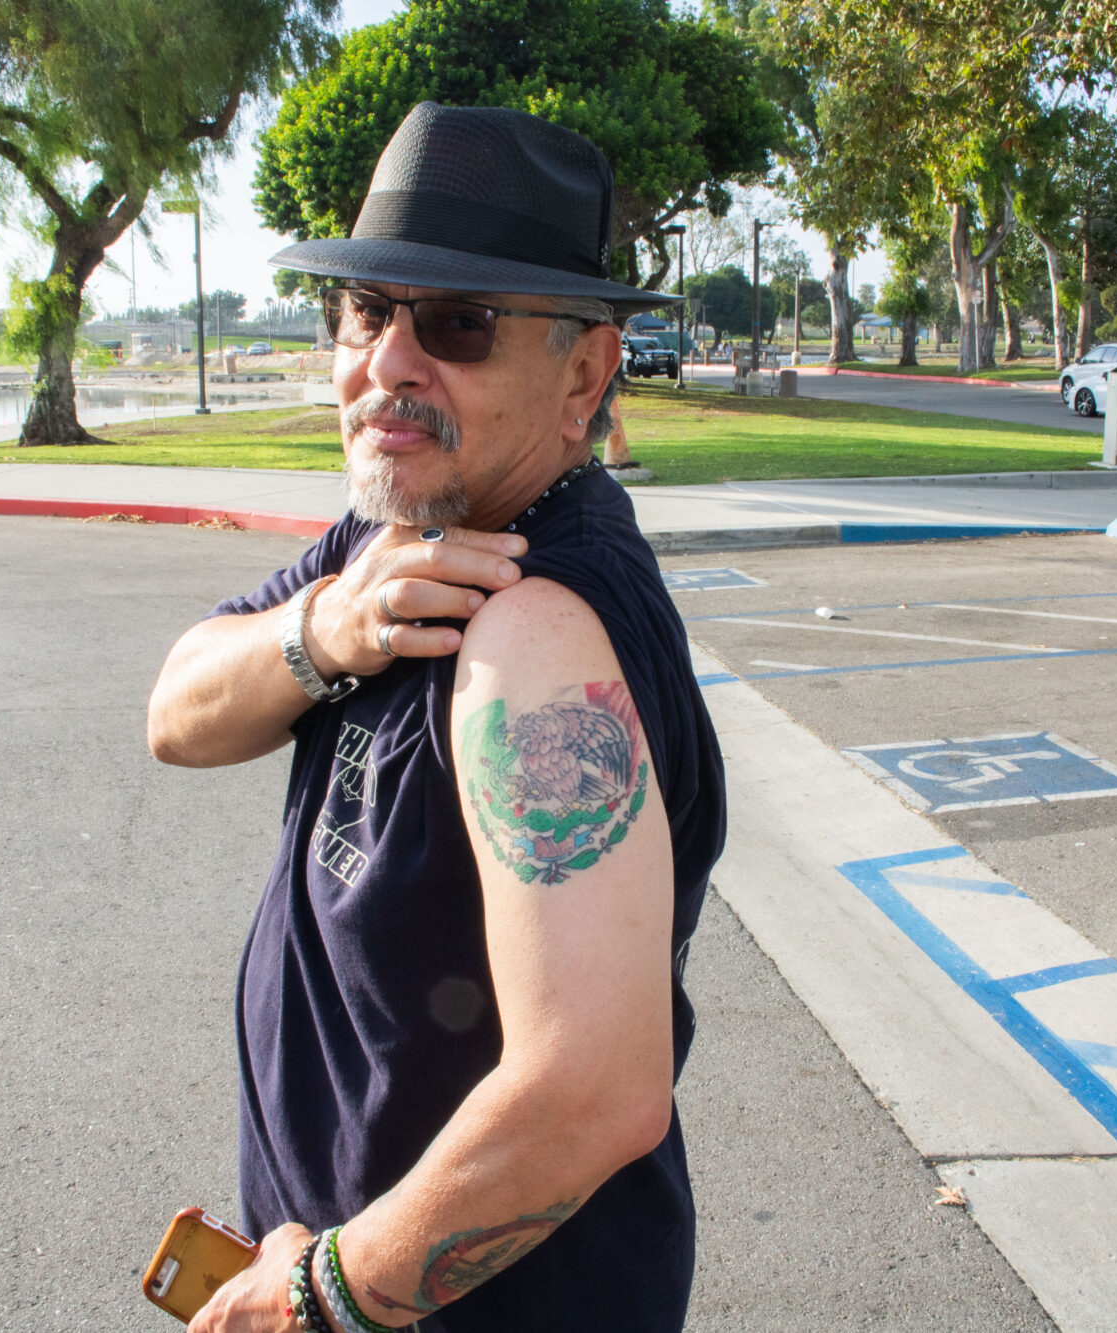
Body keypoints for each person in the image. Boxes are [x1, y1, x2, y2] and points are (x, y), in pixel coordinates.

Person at [146, 103, 726, 1333]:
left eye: (456, 325)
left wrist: (317, 1296)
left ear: (583, 375)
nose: (388, 365)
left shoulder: (533, 636)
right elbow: (177, 712)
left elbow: (593, 1088)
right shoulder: (392, 533)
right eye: (367, 312)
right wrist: (324, 632)